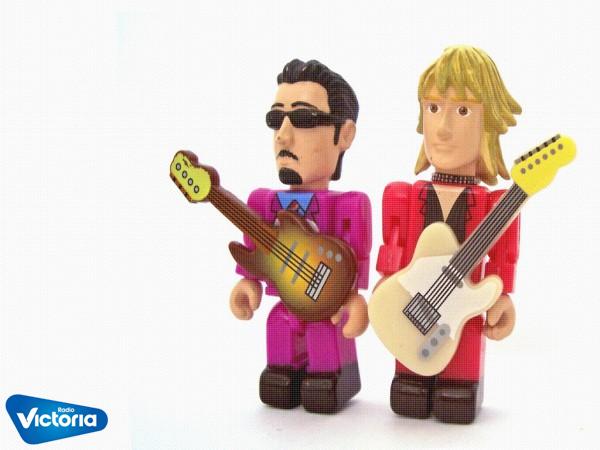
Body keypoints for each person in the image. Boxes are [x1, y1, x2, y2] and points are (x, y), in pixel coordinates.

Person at [374, 46, 521, 423]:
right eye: (434, 107)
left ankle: (459, 385)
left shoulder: (494, 205)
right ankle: (410, 379)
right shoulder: (404, 196)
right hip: (410, 301)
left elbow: (503, 255)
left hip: (463, 310)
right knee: (407, 357)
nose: (442, 128)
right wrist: (386, 277)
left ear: (488, 122)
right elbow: (394, 243)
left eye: (463, 111)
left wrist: (503, 296)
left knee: (465, 344)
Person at [229, 59, 372, 414]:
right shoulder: (263, 203)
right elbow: (255, 249)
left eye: (304, 120)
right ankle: (282, 376)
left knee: (325, 332)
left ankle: (330, 377)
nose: (283, 135)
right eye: (276, 120)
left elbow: (357, 252)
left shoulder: (349, 205)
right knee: (278, 322)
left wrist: (354, 297)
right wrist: (248, 282)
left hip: (328, 304)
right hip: (288, 298)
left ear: (344, 135)